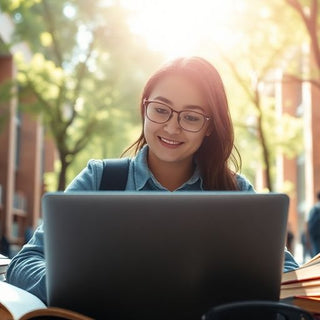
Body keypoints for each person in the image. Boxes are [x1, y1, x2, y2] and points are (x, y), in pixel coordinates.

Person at [6, 56, 299, 304]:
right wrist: (91, 285)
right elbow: (24, 263)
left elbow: (286, 271)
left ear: (210, 127)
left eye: (192, 117)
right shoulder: (100, 179)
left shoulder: (235, 191)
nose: (172, 127)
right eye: (160, 110)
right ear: (144, 108)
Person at [307, 190, 320, 257]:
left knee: (316, 253)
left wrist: (308, 237)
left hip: (315, 236)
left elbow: (308, 222)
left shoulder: (314, 209)